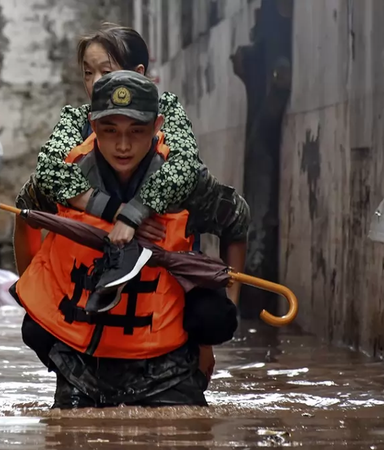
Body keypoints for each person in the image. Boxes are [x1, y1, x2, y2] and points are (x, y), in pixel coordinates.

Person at [14, 70, 243, 408]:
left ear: (157, 125)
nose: (123, 145)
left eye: (137, 132)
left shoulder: (183, 181)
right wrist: (33, 287)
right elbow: (24, 214)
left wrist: (219, 318)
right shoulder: (67, 175)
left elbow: (237, 221)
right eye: (110, 132)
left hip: (167, 364)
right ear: (93, 126)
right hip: (81, 361)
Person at [25, 24, 208, 304]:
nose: (95, 82)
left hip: (161, 281)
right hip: (91, 267)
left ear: (138, 74)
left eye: (106, 72)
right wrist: (115, 210)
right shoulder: (77, 119)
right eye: (88, 72)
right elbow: (48, 173)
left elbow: (184, 167)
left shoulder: (167, 112)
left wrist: (136, 212)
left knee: (207, 317)